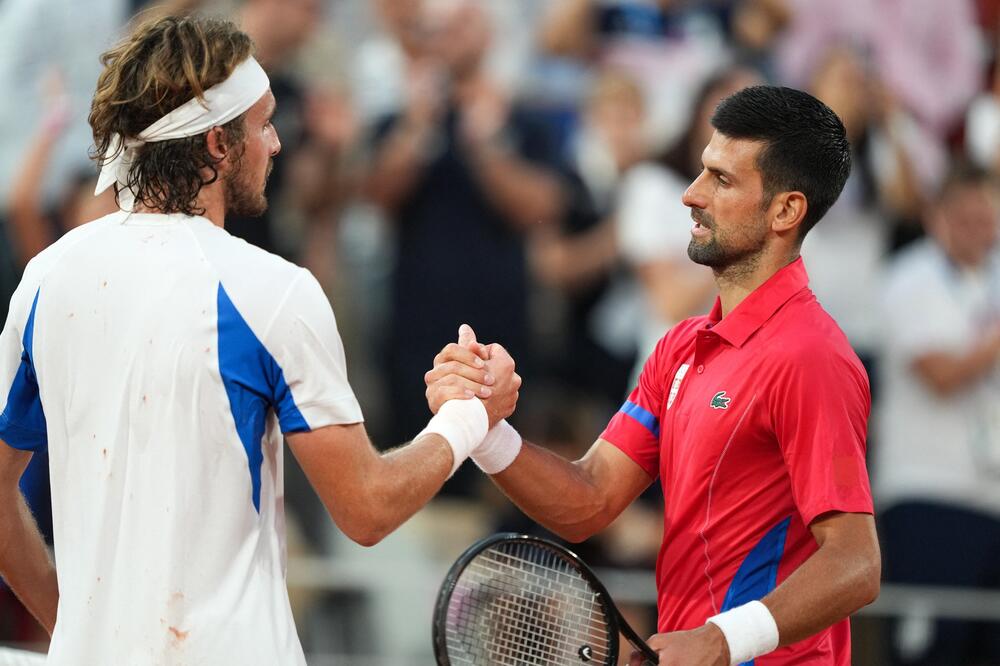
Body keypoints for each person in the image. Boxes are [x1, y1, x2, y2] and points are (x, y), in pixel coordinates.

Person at [0, 14, 519, 665]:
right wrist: (469, 418)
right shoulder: (273, 291)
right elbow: (367, 509)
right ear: (218, 143)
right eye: (263, 124)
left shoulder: (45, 279)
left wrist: (78, 632)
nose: (274, 144)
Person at [427, 85, 881, 665]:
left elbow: (855, 563)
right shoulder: (679, 346)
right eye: (701, 170)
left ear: (785, 211)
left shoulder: (812, 356)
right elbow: (590, 500)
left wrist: (720, 640)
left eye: (721, 180)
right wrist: (485, 428)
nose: (691, 194)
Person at [875, 163, 1000, 665]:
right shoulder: (910, 277)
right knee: (929, 650)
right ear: (937, 217)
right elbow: (940, 374)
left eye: (985, 218)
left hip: (991, 497)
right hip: (928, 490)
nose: (977, 230)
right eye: (965, 218)